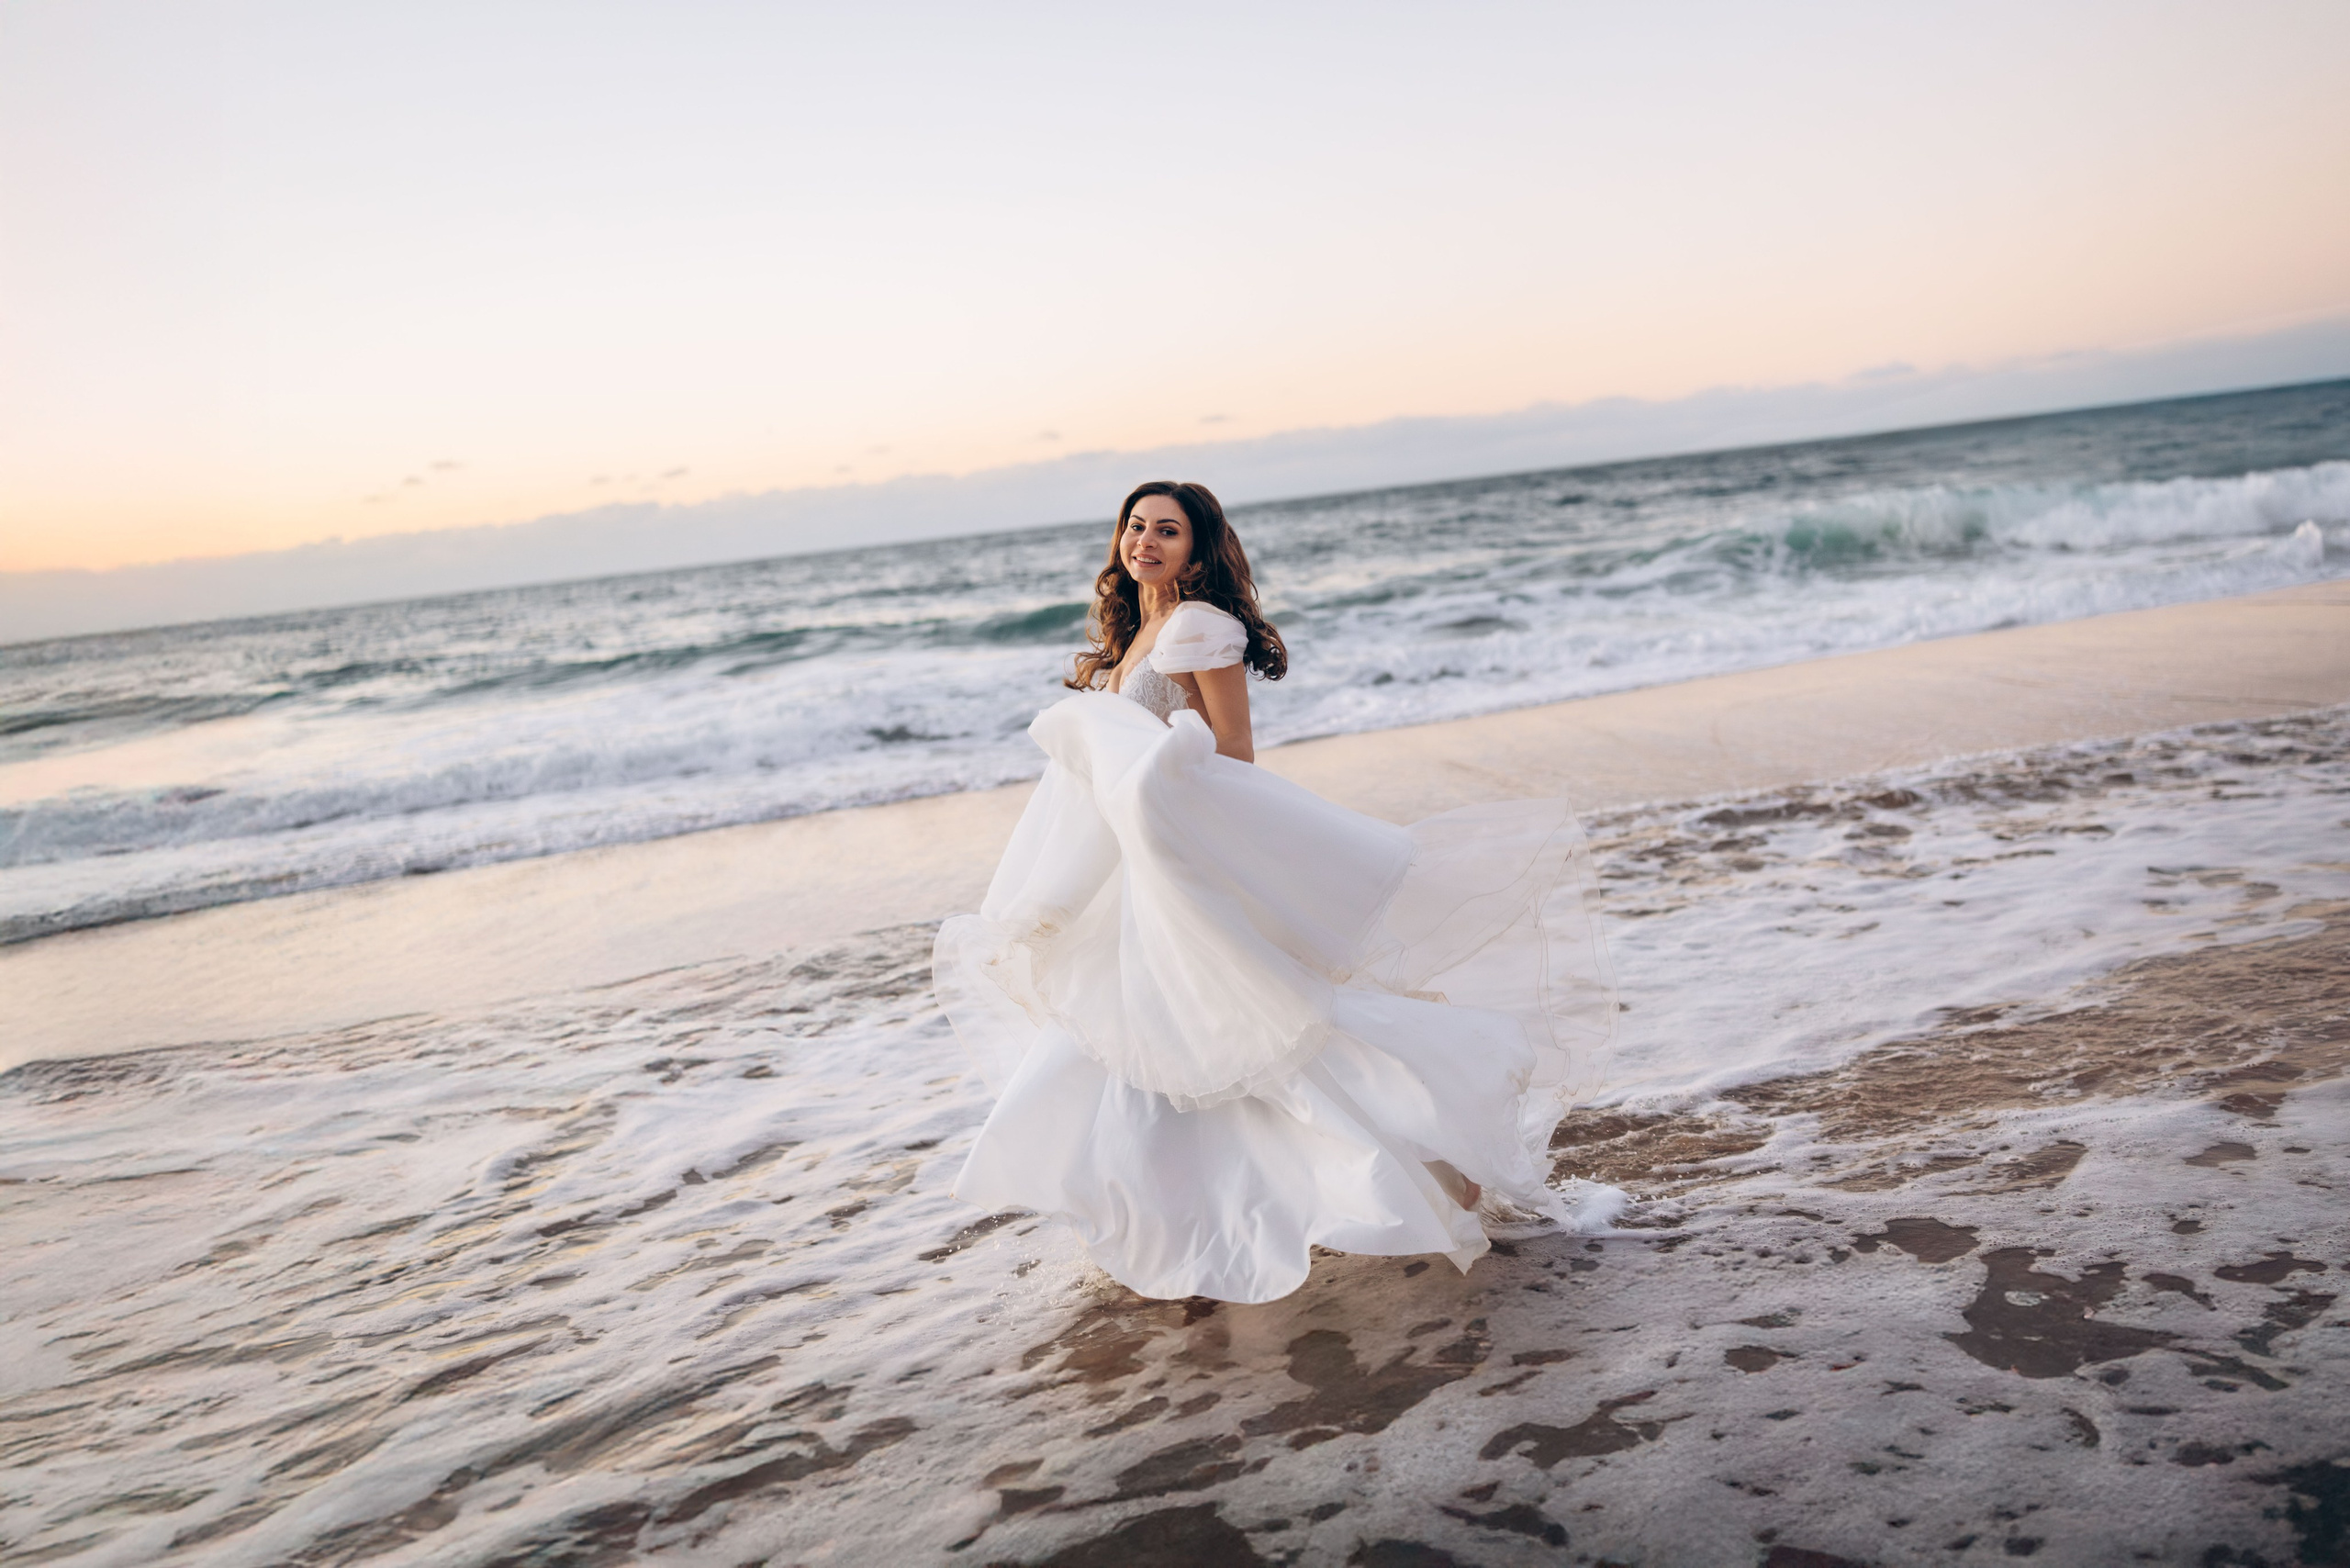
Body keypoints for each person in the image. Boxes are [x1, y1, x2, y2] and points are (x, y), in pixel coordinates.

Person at [932, 480, 1618, 1304]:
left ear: (1199, 546)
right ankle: (1176, 1217)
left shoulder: (1199, 625)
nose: (1145, 541)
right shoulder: (1139, 626)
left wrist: (1155, 779)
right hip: (1133, 862)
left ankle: (1427, 1162)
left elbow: (1233, 751)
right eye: (1136, 526)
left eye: (1168, 531)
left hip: (1178, 853)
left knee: (1244, 1021)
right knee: (1149, 1033)